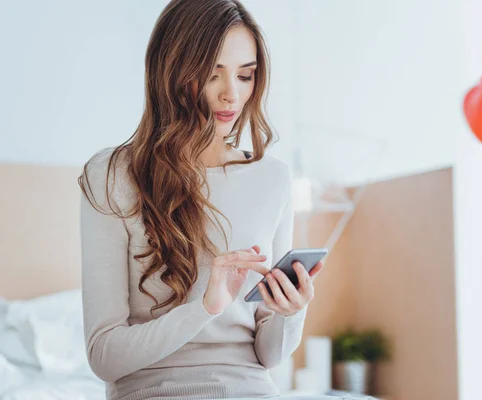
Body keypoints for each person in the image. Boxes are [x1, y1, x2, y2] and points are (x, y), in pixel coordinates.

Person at [78, 1, 325, 399]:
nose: (232, 94)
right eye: (213, 74)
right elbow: (103, 355)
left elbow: (267, 355)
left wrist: (290, 313)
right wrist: (203, 308)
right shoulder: (111, 175)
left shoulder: (272, 178)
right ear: (171, 74)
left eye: (246, 75)